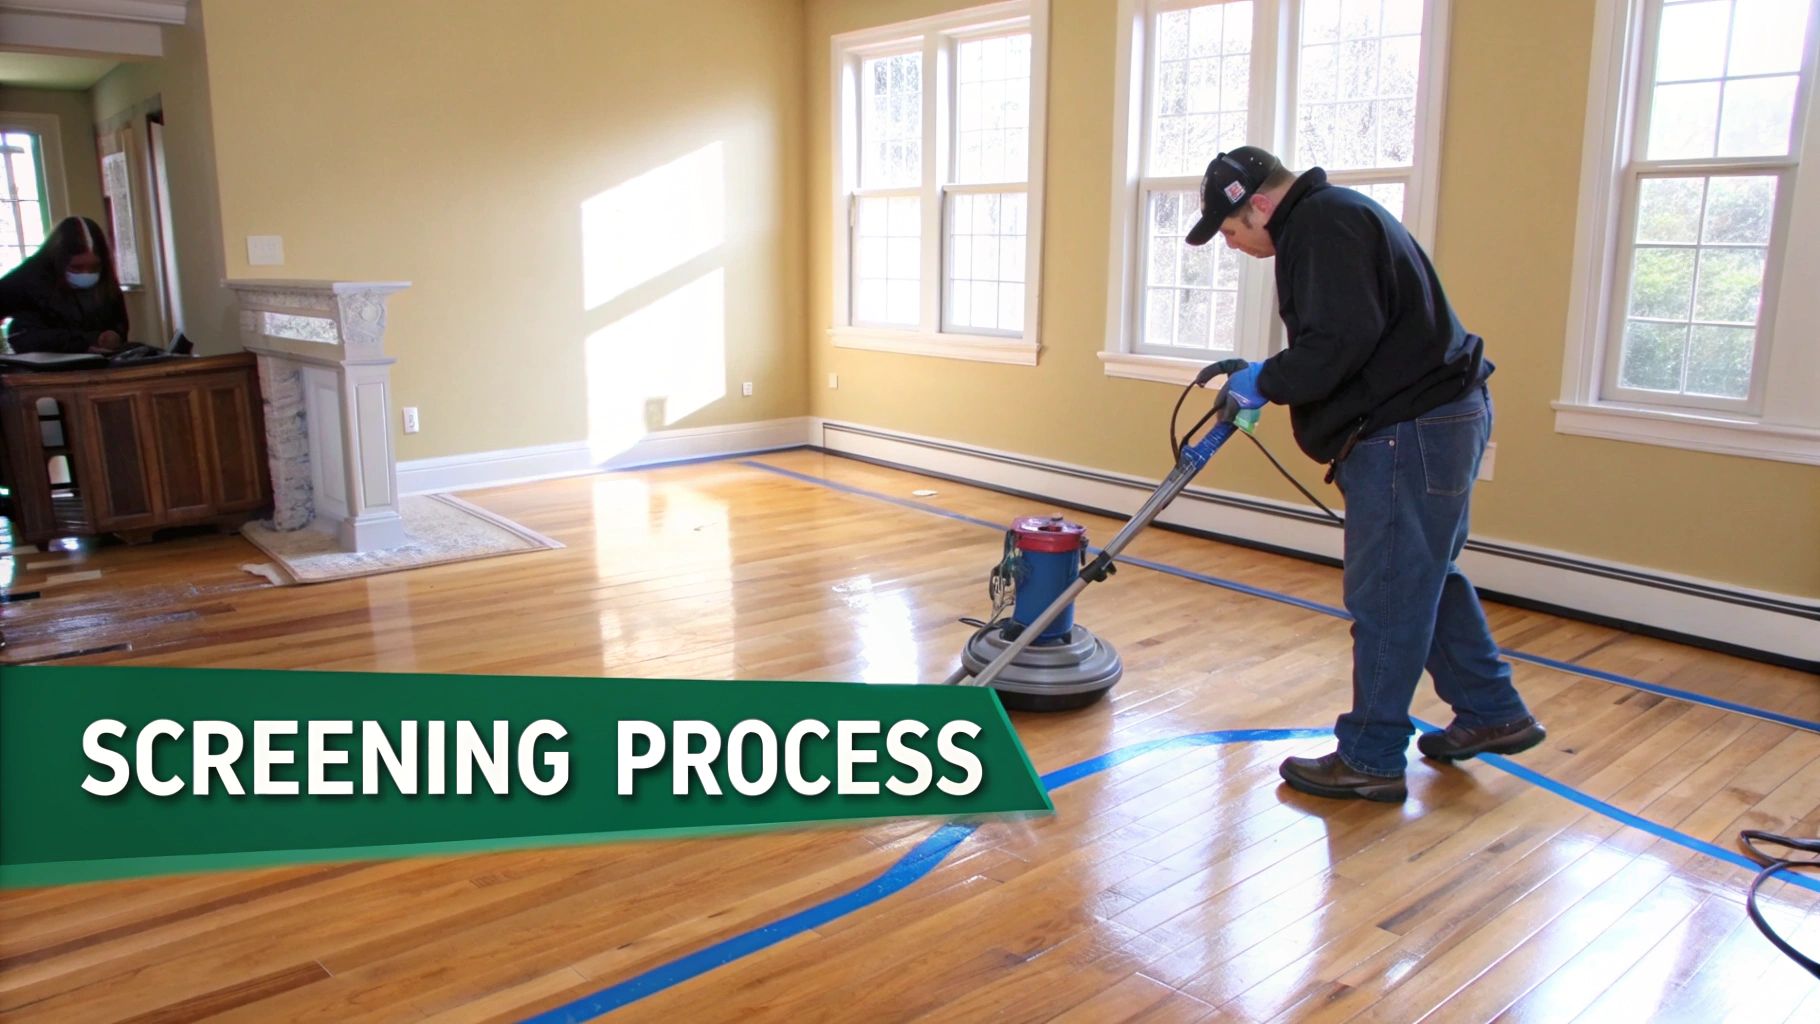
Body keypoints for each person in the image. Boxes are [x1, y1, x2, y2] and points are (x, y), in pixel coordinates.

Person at [1183, 146, 1545, 803]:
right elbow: (1351, 334)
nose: (1232, 245)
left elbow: (1339, 342)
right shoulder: (1333, 217)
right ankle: (1491, 708)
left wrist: (1268, 379)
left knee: (1388, 592)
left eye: (1232, 230)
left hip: (1409, 429)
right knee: (1424, 574)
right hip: (1438, 419)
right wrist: (1271, 373)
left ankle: (1371, 758)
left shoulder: (1321, 226)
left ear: (1259, 204)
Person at [0, 216, 130, 355]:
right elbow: (23, 335)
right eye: (76, 267)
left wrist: (114, 336)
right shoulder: (29, 278)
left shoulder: (106, 281)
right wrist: (82, 344)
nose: (86, 274)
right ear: (58, 261)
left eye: (94, 267)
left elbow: (119, 323)